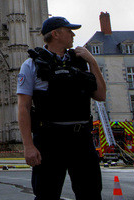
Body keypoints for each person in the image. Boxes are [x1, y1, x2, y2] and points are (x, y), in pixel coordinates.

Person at [17, 16, 107, 200]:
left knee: (91, 193)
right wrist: (28, 146)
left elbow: (100, 95)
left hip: (81, 139)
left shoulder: (80, 61)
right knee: (46, 194)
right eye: (68, 30)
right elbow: (23, 107)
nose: (73, 34)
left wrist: (92, 62)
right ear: (56, 34)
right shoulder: (32, 64)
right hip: (50, 139)